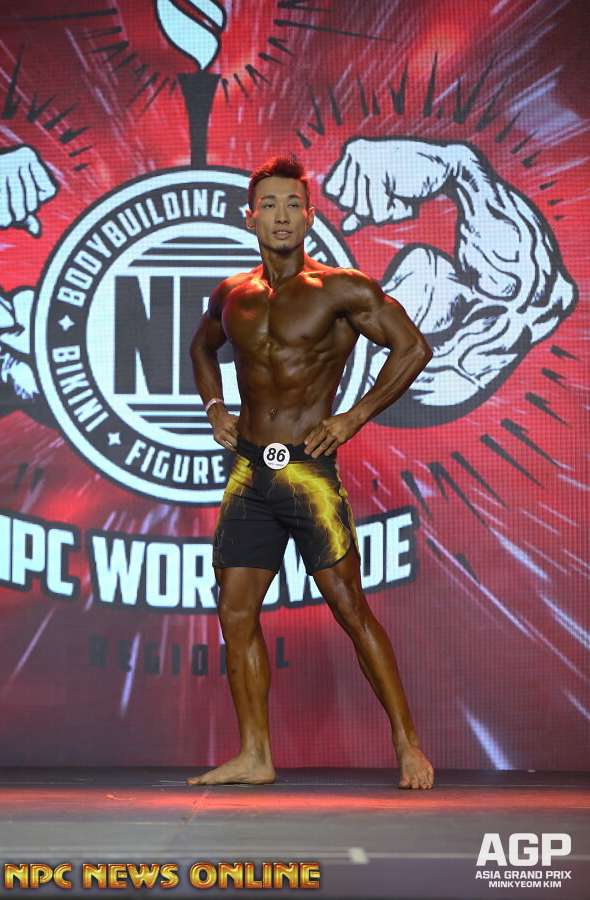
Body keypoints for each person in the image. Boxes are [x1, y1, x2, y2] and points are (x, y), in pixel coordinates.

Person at [189, 155, 434, 789]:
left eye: (293, 204)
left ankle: (407, 744)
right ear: (250, 218)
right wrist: (215, 408)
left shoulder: (341, 290)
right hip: (250, 475)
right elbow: (201, 347)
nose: (281, 216)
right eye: (269, 205)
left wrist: (354, 417)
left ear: (310, 217)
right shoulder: (232, 295)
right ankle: (254, 755)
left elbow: (413, 348)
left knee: (349, 608)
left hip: (308, 474)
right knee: (235, 612)